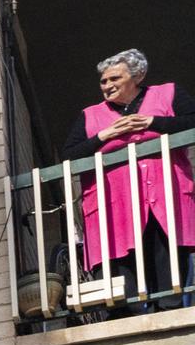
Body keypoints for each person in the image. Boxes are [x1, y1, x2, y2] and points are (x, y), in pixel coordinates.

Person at [60, 49, 195, 309]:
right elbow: (68, 157)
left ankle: (168, 310)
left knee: (166, 263)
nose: (107, 85)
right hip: (115, 210)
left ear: (136, 76)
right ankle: (128, 314)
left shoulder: (166, 94)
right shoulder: (91, 115)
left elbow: (191, 122)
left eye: (114, 79)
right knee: (123, 276)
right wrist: (105, 135)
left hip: (165, 199)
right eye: (103, 81)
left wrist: (152, 123)